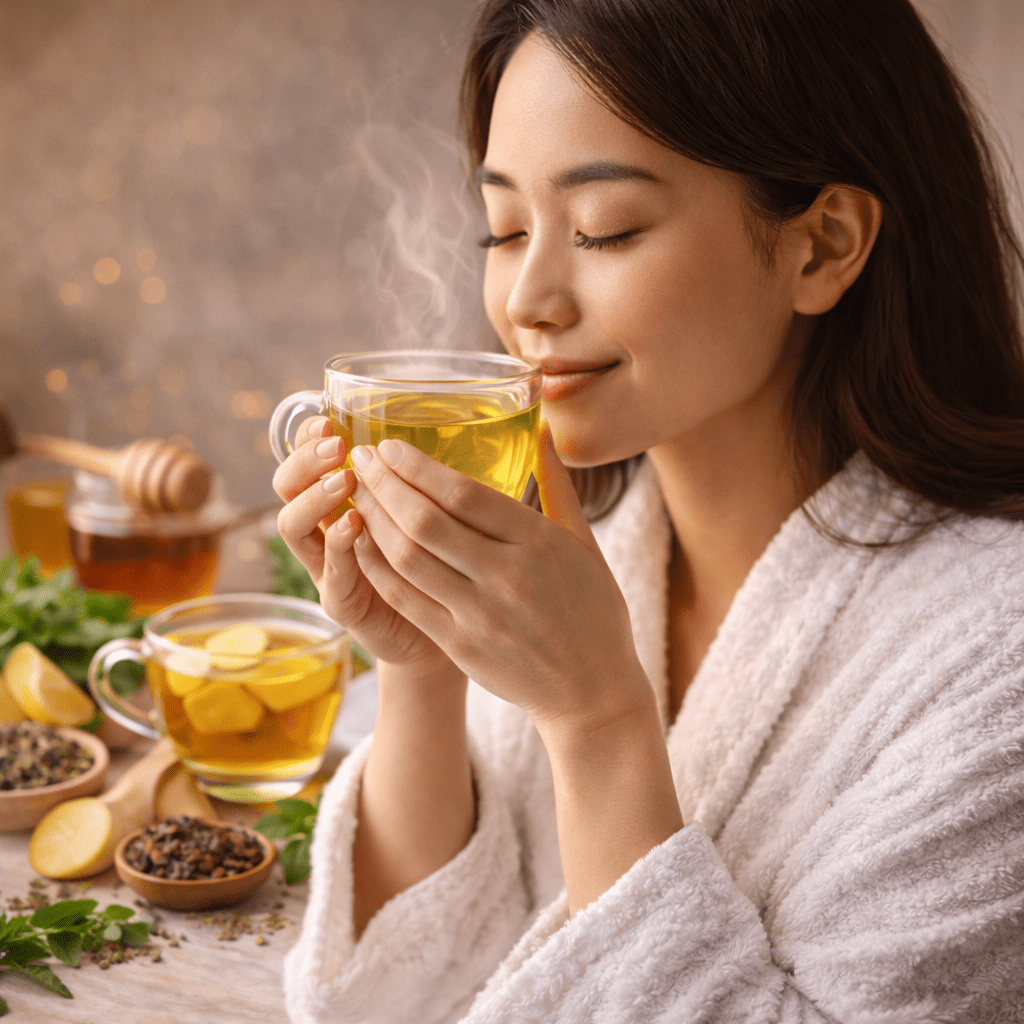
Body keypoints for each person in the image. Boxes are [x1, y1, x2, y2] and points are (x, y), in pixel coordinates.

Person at [274, 0, 1024, 1020]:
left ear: (820, 246)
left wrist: (599, 723)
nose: (526, 300)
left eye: (604, 229)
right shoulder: (574, 564)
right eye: (505, 229)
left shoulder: (995, 655)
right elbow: (399, 996)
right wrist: (422, 662)